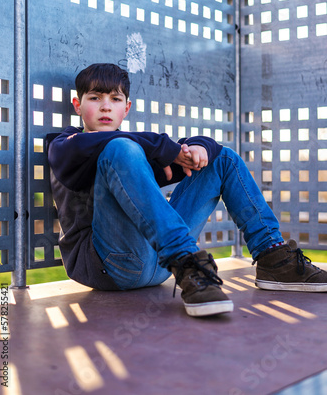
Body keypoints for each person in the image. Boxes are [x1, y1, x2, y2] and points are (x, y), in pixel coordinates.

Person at [46, 63, 327, 318]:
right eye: (95, 98)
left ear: (127, 108)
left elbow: (192, 153)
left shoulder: (136, 153)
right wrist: (163, 148)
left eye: (115, 99)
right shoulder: (65, 146)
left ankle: (273, 258)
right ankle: (188, 262)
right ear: (77, 105)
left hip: (159, 265)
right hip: (106, 267)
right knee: (119, 147)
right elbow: (103, 145)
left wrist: (198, 147)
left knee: (222, 158)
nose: (105, 107)